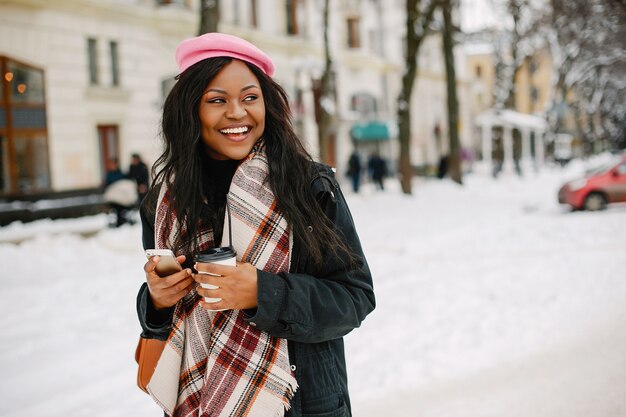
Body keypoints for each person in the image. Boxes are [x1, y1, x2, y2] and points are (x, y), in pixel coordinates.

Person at [136, 33, 375, 417]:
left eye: (250, 98)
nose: (237, 113)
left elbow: (354, 297)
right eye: (217, 100)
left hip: (300, 405)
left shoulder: (308, 185)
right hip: (197, 401)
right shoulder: (165, 201)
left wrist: (264, 293)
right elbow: (163, 314)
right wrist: (158, 302)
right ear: (189, 110)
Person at [103, 158, 137, 227]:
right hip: (113, 199)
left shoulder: (121, 174)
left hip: (122, 198)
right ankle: (120, 223)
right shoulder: (109, 175)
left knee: (123, 206)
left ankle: (122, 222)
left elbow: (125, 185)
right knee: (118, 207)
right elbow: (108, 187)